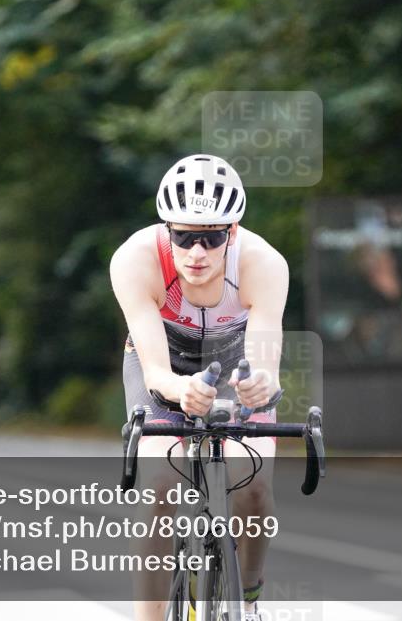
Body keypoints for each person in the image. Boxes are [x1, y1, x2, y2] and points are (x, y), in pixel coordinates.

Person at [110, 154, 289, 621]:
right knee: (159, 485)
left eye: (211, 238)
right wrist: (177, 388)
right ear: (166, 228)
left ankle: (248, 597)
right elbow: (155, 373)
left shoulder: (263, 264)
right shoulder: (135, 259)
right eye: (184, 236)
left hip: (234, 357)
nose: (197, 253)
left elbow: (266, 364)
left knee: (253, 484)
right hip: (164, 356)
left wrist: (260, 386)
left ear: (232, 232)